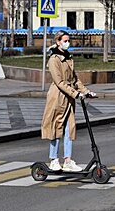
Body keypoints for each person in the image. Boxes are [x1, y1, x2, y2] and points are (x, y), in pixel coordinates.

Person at [41, 30, 96, 172]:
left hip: (69, 98)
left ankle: (68, 160)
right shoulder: (54, 59)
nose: (67, 43)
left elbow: (74, 79)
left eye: (68, 40)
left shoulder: (69, 58)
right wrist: (75, 94)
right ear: (58, 41)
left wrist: (86, 91)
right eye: (65, 40)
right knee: (55, 127)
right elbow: (59, 82)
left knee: (69, 129)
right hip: (57, 97)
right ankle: (53, 159)